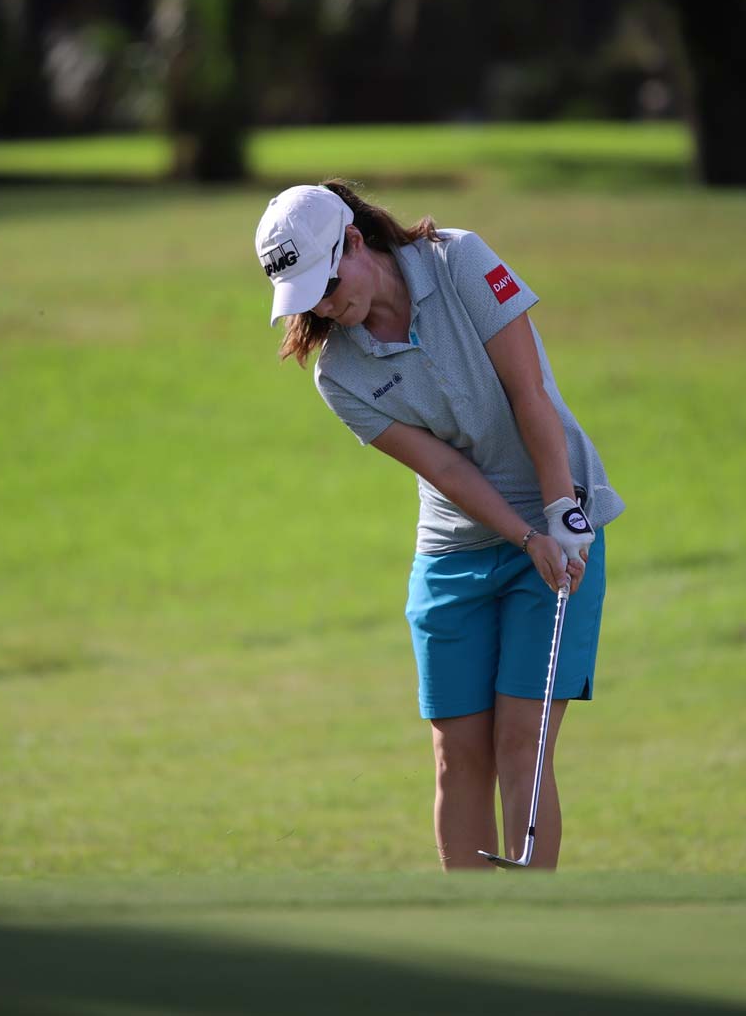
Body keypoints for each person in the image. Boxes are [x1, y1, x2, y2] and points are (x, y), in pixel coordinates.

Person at [254, 180, 623, 871]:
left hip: (557, 512)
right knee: (457, 754)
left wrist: (558, 514)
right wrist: (523, 536)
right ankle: (471, 933)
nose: (327, 309)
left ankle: (528, 931)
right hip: (457, 547)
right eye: (308, 301)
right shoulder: (339, 375)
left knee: (523, 739)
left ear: (355, 241)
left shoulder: (461, 261)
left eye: (327, 285)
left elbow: (529, 394)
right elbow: (447, 471)